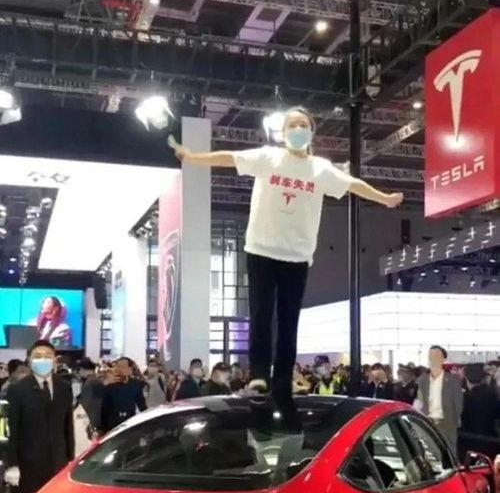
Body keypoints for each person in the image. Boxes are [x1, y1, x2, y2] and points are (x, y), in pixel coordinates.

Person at [169, 107, 403, 420]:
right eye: (292, 124)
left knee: (289, 321)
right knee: (261, 314)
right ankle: (258, 375)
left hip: (297, 255)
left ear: (312, 132)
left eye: (303, 124)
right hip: (261, 249)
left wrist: (384, 198)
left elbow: (352, 185)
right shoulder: (269, 157)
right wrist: (194, 157)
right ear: (283, 132)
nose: (297, 129)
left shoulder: (320, 169)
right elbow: (229, 158)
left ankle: (282, 381)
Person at [5, 340, 75, 493]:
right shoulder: (17, 390)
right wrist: (11, 465)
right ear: (29, 360)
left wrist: (70, 459)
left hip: (58, 464)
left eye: (47, 356)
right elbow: (10, 430)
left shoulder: (64, 387)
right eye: (38, 356)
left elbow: (67, 427)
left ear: (55, 360)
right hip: (27, 466)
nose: (43, 359)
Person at [416, 345, 463, 452]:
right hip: (427, 422)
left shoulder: (452, 379)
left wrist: (455, 421)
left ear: (443, 359)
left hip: (447, 422)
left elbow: (458, 403)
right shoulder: (423, 380)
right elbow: (420, 401)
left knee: (449, 451)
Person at [99, 357, 147, 434]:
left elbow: (142, 406)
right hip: (113, 427)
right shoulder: (110, 386)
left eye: (123, 367)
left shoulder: (137, 385)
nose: (120, 370)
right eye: (119, 367)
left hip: (131, 426)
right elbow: (104, 410)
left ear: (130, 369)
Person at [462, 363, 500, 441]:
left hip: (468, 439)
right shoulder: (493, 396)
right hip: (491, 440)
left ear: (466, 379)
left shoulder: (464, 398)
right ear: (482, 378)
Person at [78, 358, 105, 437]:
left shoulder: (91, 382)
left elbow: (91, 404)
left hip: (93, 420)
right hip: (95, 419)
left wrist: (92, 423)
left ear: (83, 369)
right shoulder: (94, 380)